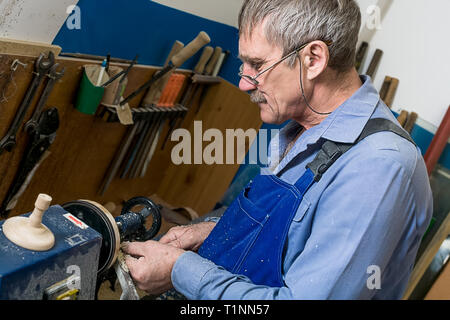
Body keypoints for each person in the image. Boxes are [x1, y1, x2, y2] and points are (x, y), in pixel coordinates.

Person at [123, 0, 433, 299]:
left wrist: (181, 270)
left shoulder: (378, 167)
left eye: (256, 64)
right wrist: (210, 232)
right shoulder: (300, 127)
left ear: (313, 59)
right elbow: (283, 235)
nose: (244, 83)